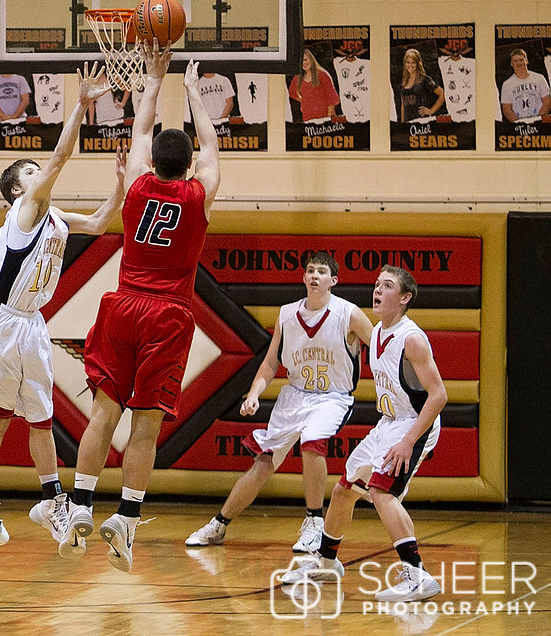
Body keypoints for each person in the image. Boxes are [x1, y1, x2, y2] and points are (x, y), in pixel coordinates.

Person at [62, 42, 220, 574]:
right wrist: (196, 93)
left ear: (151, 160)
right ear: (190, 164)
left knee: (104, 413)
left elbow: (141, 123)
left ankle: (79, 506)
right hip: (167, 314)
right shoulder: (198, 195)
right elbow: (213, 150)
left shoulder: (133, 181)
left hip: (121, 305)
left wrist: (156, 78)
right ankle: (125, 521)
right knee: (145, 424)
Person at [0, 61, 121, 551]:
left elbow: (97, 222)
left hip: (32, 325)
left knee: (41, 419)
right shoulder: (24, 210)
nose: (40, 174)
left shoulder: (52, 216)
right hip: (3, 324)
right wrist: (80, 105)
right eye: (31, 173)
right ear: (17, 190)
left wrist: (120, 181)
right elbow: (59, 159)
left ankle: (51, 500)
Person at [185, 252, 373, 552]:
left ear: (333, 281)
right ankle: (219, 524)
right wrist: (255, 394)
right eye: (310, 270)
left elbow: (379, 349)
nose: (314, 275)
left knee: (312, 442)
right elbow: (271, 363)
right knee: (263, 463)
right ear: (303, 278)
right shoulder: (287, 315)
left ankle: (314, 523)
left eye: (321, 272)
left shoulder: (348, 314)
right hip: (295, 396)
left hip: (331, 397)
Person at [281, 266, 447, 603]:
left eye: (387, 286)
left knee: (381, 491)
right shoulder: (377, 334)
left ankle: (416, 576)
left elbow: (439, 395)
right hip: (388, 423)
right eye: (376, 285)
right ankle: (327, 562)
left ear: (404, 298)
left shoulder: (411, 339)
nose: (377, 290)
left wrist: (408, 441)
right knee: (344, 491)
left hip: (415, 424)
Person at [501, 48, 551, 122]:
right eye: (515, 61)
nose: (519, 63)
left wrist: (538, 120)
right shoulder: (506, 85)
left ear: (526, 61)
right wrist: (520, 123)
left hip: (540, 123)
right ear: (512, 64)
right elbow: (507, 110)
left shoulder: (539, 78)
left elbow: (547, 102)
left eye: (521, 60)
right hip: (520, 126)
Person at [289, 51, 340, 122]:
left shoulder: (322, 74)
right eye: (300, 62)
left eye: (305, 59)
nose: (304, 63)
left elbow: (331, 98)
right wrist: (305, 101)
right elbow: (292, 93)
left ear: (311, 59)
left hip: (325, 117)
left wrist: (329, 119)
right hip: (308, 118)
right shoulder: (298, 77)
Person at [397, 49, 444, 123]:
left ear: (418, 63)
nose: (410, 65)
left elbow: (442, 94)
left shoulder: (424, 79)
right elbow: (403, 103)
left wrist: (431, 110)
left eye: (413, 62)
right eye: (408, 62)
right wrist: (403, 123)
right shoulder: (404, 81)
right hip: (408, 122)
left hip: (422, 122)